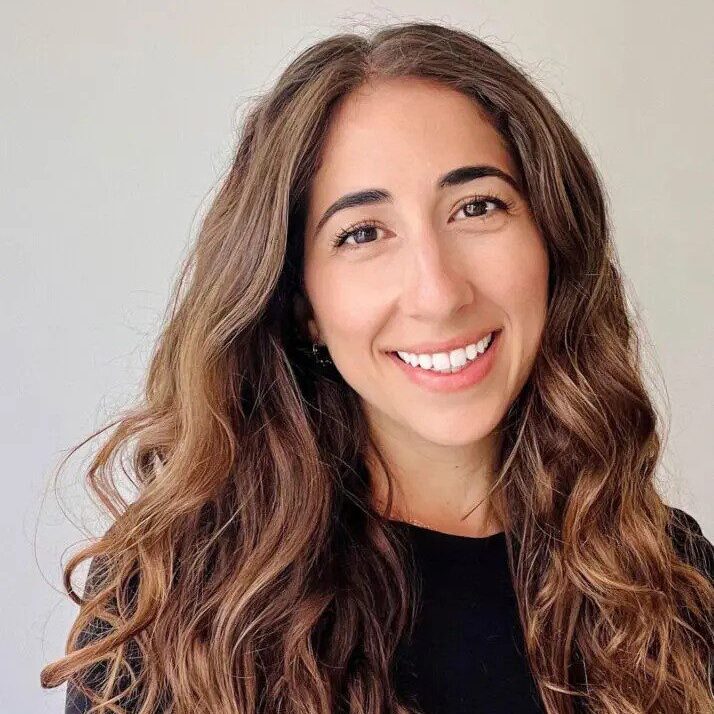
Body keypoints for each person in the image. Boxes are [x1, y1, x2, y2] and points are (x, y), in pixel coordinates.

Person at [41, 20, 713, 714]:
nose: (439, 291)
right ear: (301, 302)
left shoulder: (670, 578)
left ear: (550, 239)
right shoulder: (178, 602)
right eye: (363, 233)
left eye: (476, 206)